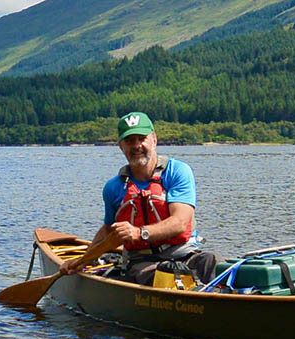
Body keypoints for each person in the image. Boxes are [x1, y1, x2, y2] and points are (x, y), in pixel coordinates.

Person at [60, 112, 221, 286]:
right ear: (121, 146)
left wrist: (139, 232)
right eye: (130, 141)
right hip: (142, 262)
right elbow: (108, 231)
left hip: (184, 253)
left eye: (141, 139)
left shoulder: (177, 172)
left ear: (154, 140)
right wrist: (82, 261)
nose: (137, 146)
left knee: (214, 262)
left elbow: (180, 222)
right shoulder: (113, 188)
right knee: (160, 278)